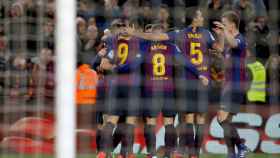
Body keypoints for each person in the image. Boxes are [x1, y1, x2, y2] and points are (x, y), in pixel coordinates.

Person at [125, 7, 223, 158]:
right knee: (183, 120)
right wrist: (201, 74)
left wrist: (135, 35)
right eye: (200, 15)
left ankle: (155, 154)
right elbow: (191, 59)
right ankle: (183, 153)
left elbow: (138, 58)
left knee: (170, 119)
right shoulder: (180, 42)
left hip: (164, 86)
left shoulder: (176, 35)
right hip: (181, 85)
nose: (202, 17)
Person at [102, 23, 208, 158]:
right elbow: (186, 62)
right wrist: (200, 74)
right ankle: (169, 154)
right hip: (168, 90)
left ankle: (151, 154)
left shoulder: (146, 47)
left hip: (150, 89)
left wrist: (117, 69)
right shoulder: (172, 47)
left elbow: (134, 64)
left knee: (150, 123)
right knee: (169, 122)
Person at [97, 19, 145, 158]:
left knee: (112, 120)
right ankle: (126, 153)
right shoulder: (138, 42)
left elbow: (103, 64)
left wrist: (115, 67)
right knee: (129, 121)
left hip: (115, 85)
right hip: (131, 86)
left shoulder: (114, 43)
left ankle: (103, 152)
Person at [213, 11, 250, 158]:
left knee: (221, 118)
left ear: (232, 25)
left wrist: (224, 32)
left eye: (225, 23)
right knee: (226, 121)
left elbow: (234, 43)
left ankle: (241, 145)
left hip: (236, 85)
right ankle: (232, 154)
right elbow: (222, 50)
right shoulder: (229, 41)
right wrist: (221, 35)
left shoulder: (240, 39)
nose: (222, 26)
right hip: (228, 85)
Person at [76, 53, 99, 153]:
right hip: (92, 104)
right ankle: (94, 149)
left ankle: (80, 148)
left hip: (79, 104)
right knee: (92, 128)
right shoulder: (94, 73)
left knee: (79, 127)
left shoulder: (76, 72)